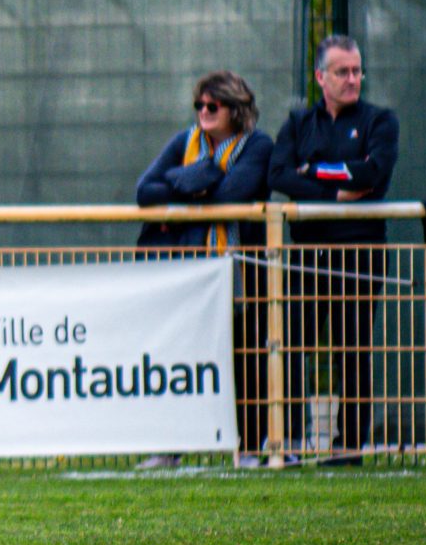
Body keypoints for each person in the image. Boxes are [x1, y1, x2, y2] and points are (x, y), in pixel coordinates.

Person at [267, 34, 400, 463]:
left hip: (359, 253)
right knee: (290, 346)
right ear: (320, 77)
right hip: (307, 254)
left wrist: (314, 171)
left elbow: (373, 174)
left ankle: (348, 446)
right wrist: (335, 191)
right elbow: (279, 174)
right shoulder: (299, 122)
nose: (352, 79)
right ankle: (289, 441)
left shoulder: (380, 121)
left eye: (357, 70)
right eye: (342, 71)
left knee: (352, 350)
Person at [134, 71, 273, 461]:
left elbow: (231, 196)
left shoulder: (257, 145)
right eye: (200, 104)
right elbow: (145, 191)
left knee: (245, 356)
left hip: (239, 271)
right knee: (179, 356)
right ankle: (170, 448)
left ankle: (249, 447)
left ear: (236, 109)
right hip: (186, 271)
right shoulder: (185, 142)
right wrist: (201, 179)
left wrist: (180, 191)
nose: (204, 111)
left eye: (214, 105)